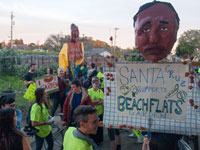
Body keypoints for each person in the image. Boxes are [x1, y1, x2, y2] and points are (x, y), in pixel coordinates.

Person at [88, 78, 104, 144]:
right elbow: (89, 102)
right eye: (95, 83)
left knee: (99, 127)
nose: (97, 85)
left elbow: (102, 101)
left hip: (99, 112)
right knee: (92, 126)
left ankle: (99, 140)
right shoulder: (89, 91)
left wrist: (94, 102)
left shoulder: (100, 91)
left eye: (98, 83)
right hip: (91, 113)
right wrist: (98, 101)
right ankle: (93, 140)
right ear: (92, 84)